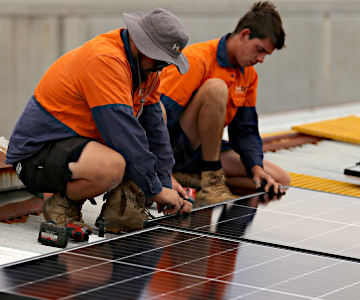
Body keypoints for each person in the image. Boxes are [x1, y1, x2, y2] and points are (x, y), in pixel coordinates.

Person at [5, 7, 193, 233]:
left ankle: (119, 209)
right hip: (34, 156)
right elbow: (124, 136)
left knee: (158, 112)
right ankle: (63, 204)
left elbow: (155, 128)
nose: (163, 66)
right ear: (142, 45)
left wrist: (164, 180)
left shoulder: (146, 71)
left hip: (75, 147)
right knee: (111, 165)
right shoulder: (106, 60)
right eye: (161, 59)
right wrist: (155, 190)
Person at [160, 1, 291, 207]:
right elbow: (158, 119)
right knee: (216, 88)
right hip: (175, 150)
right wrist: (161, 170)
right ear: (244, 34)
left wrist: (256, 167)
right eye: (259, 50)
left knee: (279, 179)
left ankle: (196, 180)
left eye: (266, 54)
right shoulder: (197, 59)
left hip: (205, 152)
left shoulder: (249, 75)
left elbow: (245, 131)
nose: (261, 59)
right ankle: (208, 181)